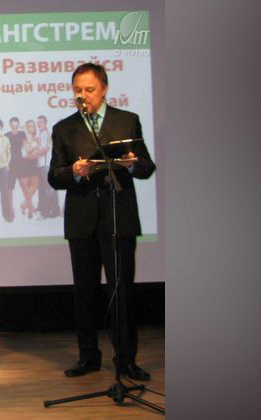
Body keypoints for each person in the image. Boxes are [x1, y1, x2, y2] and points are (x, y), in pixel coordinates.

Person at [48, 62, 156, 381]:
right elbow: (54, 176)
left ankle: (126, 360)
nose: (82, 96)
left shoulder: (126, 120)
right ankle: (88, 356)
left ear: (104, 89)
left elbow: (147, 167)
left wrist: (132, 164)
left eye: (89, 90)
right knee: (85, 292)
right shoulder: (64, 128)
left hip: (118, 217)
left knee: (122, 291)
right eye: (77, 90)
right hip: (81, 220)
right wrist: (73, 172)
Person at [35, 115, 61, 219]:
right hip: (41, 165)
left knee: (49, 188)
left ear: (45, 123)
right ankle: (51, 211)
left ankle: (51, 211)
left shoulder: (47, 134)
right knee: (45, 188)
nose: (39, 124)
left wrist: (33, 153)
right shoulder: (40, 134)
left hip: (46, 165)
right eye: (38, 122)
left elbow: (45, 149)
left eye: (41, 122)